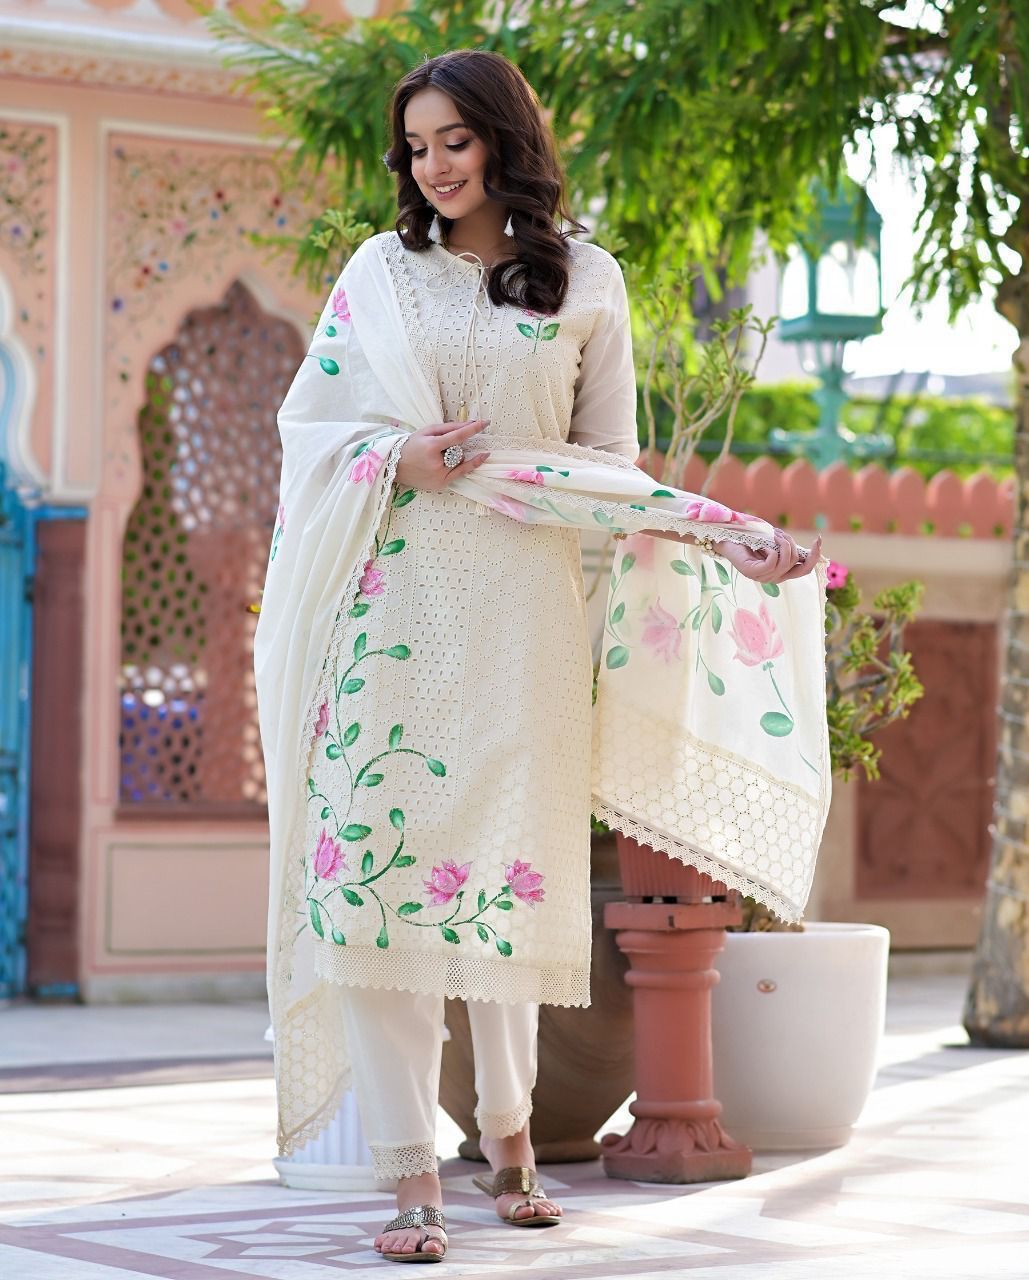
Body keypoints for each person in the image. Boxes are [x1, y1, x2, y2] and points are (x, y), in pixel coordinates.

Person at [255, 48, 824, 1266]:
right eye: (416, 147)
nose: (432, 166)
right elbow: (311, 430)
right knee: (376, 891)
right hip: (386, 611)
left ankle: (511, 1141)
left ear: (505, 138)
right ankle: (412, 1175)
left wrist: (725, 536)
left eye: (454, 140)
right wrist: (395, 458)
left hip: (523, 617)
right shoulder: (380, 274)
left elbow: (605, 469)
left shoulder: (585, 282)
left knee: (498, 881)